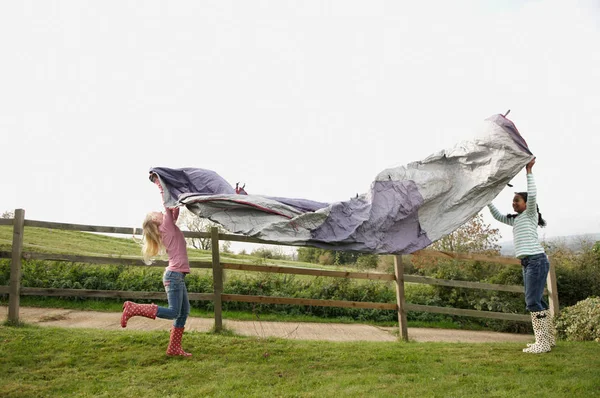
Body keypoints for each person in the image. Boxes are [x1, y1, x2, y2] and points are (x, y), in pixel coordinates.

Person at [488, 158, 554, 354]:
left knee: (532, 301)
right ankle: (548, 340)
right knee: (538, 301)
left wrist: (529, 171)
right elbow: (498, 216)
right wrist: (486, 199)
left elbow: (533, 193)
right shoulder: (515, 220)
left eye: (517, 200)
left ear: (526, 204)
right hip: (527, 263)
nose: (513, 203)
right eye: (513, 201)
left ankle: (542, 343)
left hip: (536, 261)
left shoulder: (530, 214)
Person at [120, 177, 192, 357]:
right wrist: (159, 183)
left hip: (177, 276)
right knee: (175, 311)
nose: (160, 212)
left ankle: (174, 348)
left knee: (183, 312)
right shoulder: (165, 225)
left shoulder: (168, 224)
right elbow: (167, 201)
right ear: (155, 221)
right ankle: (133, 308)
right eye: (156, 213)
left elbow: (174, 208)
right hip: (174, 276)